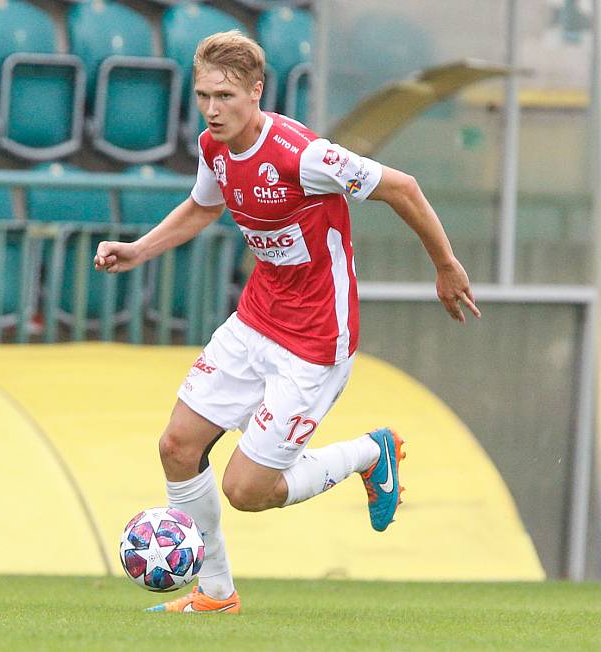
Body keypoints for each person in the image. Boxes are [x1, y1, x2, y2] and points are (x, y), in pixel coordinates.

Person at [94, 30, 481, 615]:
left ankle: (369, 455)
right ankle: (215, 594)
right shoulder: (213, 146)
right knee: (177, 446)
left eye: (224, 96)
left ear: (256, 91)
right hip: (256, 320)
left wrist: (446, 266)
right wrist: (139, 248)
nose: (211, 109)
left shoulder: (306, 156)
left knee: (247, 492)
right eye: (203, 95)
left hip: (316, 341)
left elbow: (403, 187)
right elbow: (204, 205)